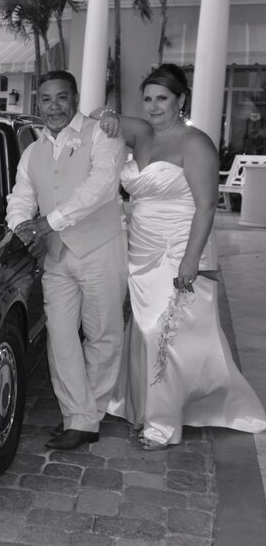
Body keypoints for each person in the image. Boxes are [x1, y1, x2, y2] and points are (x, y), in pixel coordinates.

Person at [94, 63, 266, 450]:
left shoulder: (196, 144)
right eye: (149, 99)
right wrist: (106, 116)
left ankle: (162, 424)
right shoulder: (141, 133)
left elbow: (206, 207)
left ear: (181, 100)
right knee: (142, 330)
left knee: (162, 332)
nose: (154, 107)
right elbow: (94, 115)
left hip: (178, 249)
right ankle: (143, 405)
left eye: (163, 99)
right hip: (139, 250)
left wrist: (191, 261)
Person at [6, 70, 128, 450]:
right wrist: (20, 227)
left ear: (74, 99)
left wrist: (48, 223)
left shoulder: (102, 133)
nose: (54, 106)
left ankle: (89, 415)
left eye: (61, 98)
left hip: (101, 248)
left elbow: (102, 187)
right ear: (37, 103)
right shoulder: (32, 151)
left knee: (103, 334)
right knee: (60, 338)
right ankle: (80, 417)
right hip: (57, 256)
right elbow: (20, 196)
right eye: (45, 99)